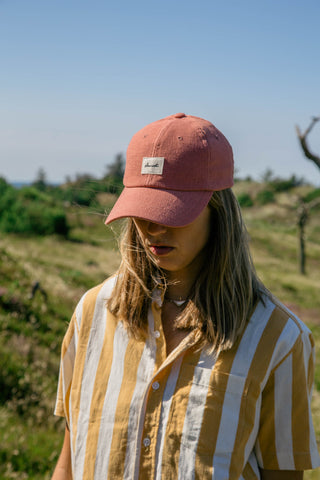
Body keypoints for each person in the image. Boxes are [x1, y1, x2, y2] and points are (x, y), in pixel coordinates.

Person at [52, 113, 320, 480]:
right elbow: (70, 458)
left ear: (218, 210)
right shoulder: (92, 315)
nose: (152, 228)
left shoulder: (280, 340)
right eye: (143, 209)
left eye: (172, 211)